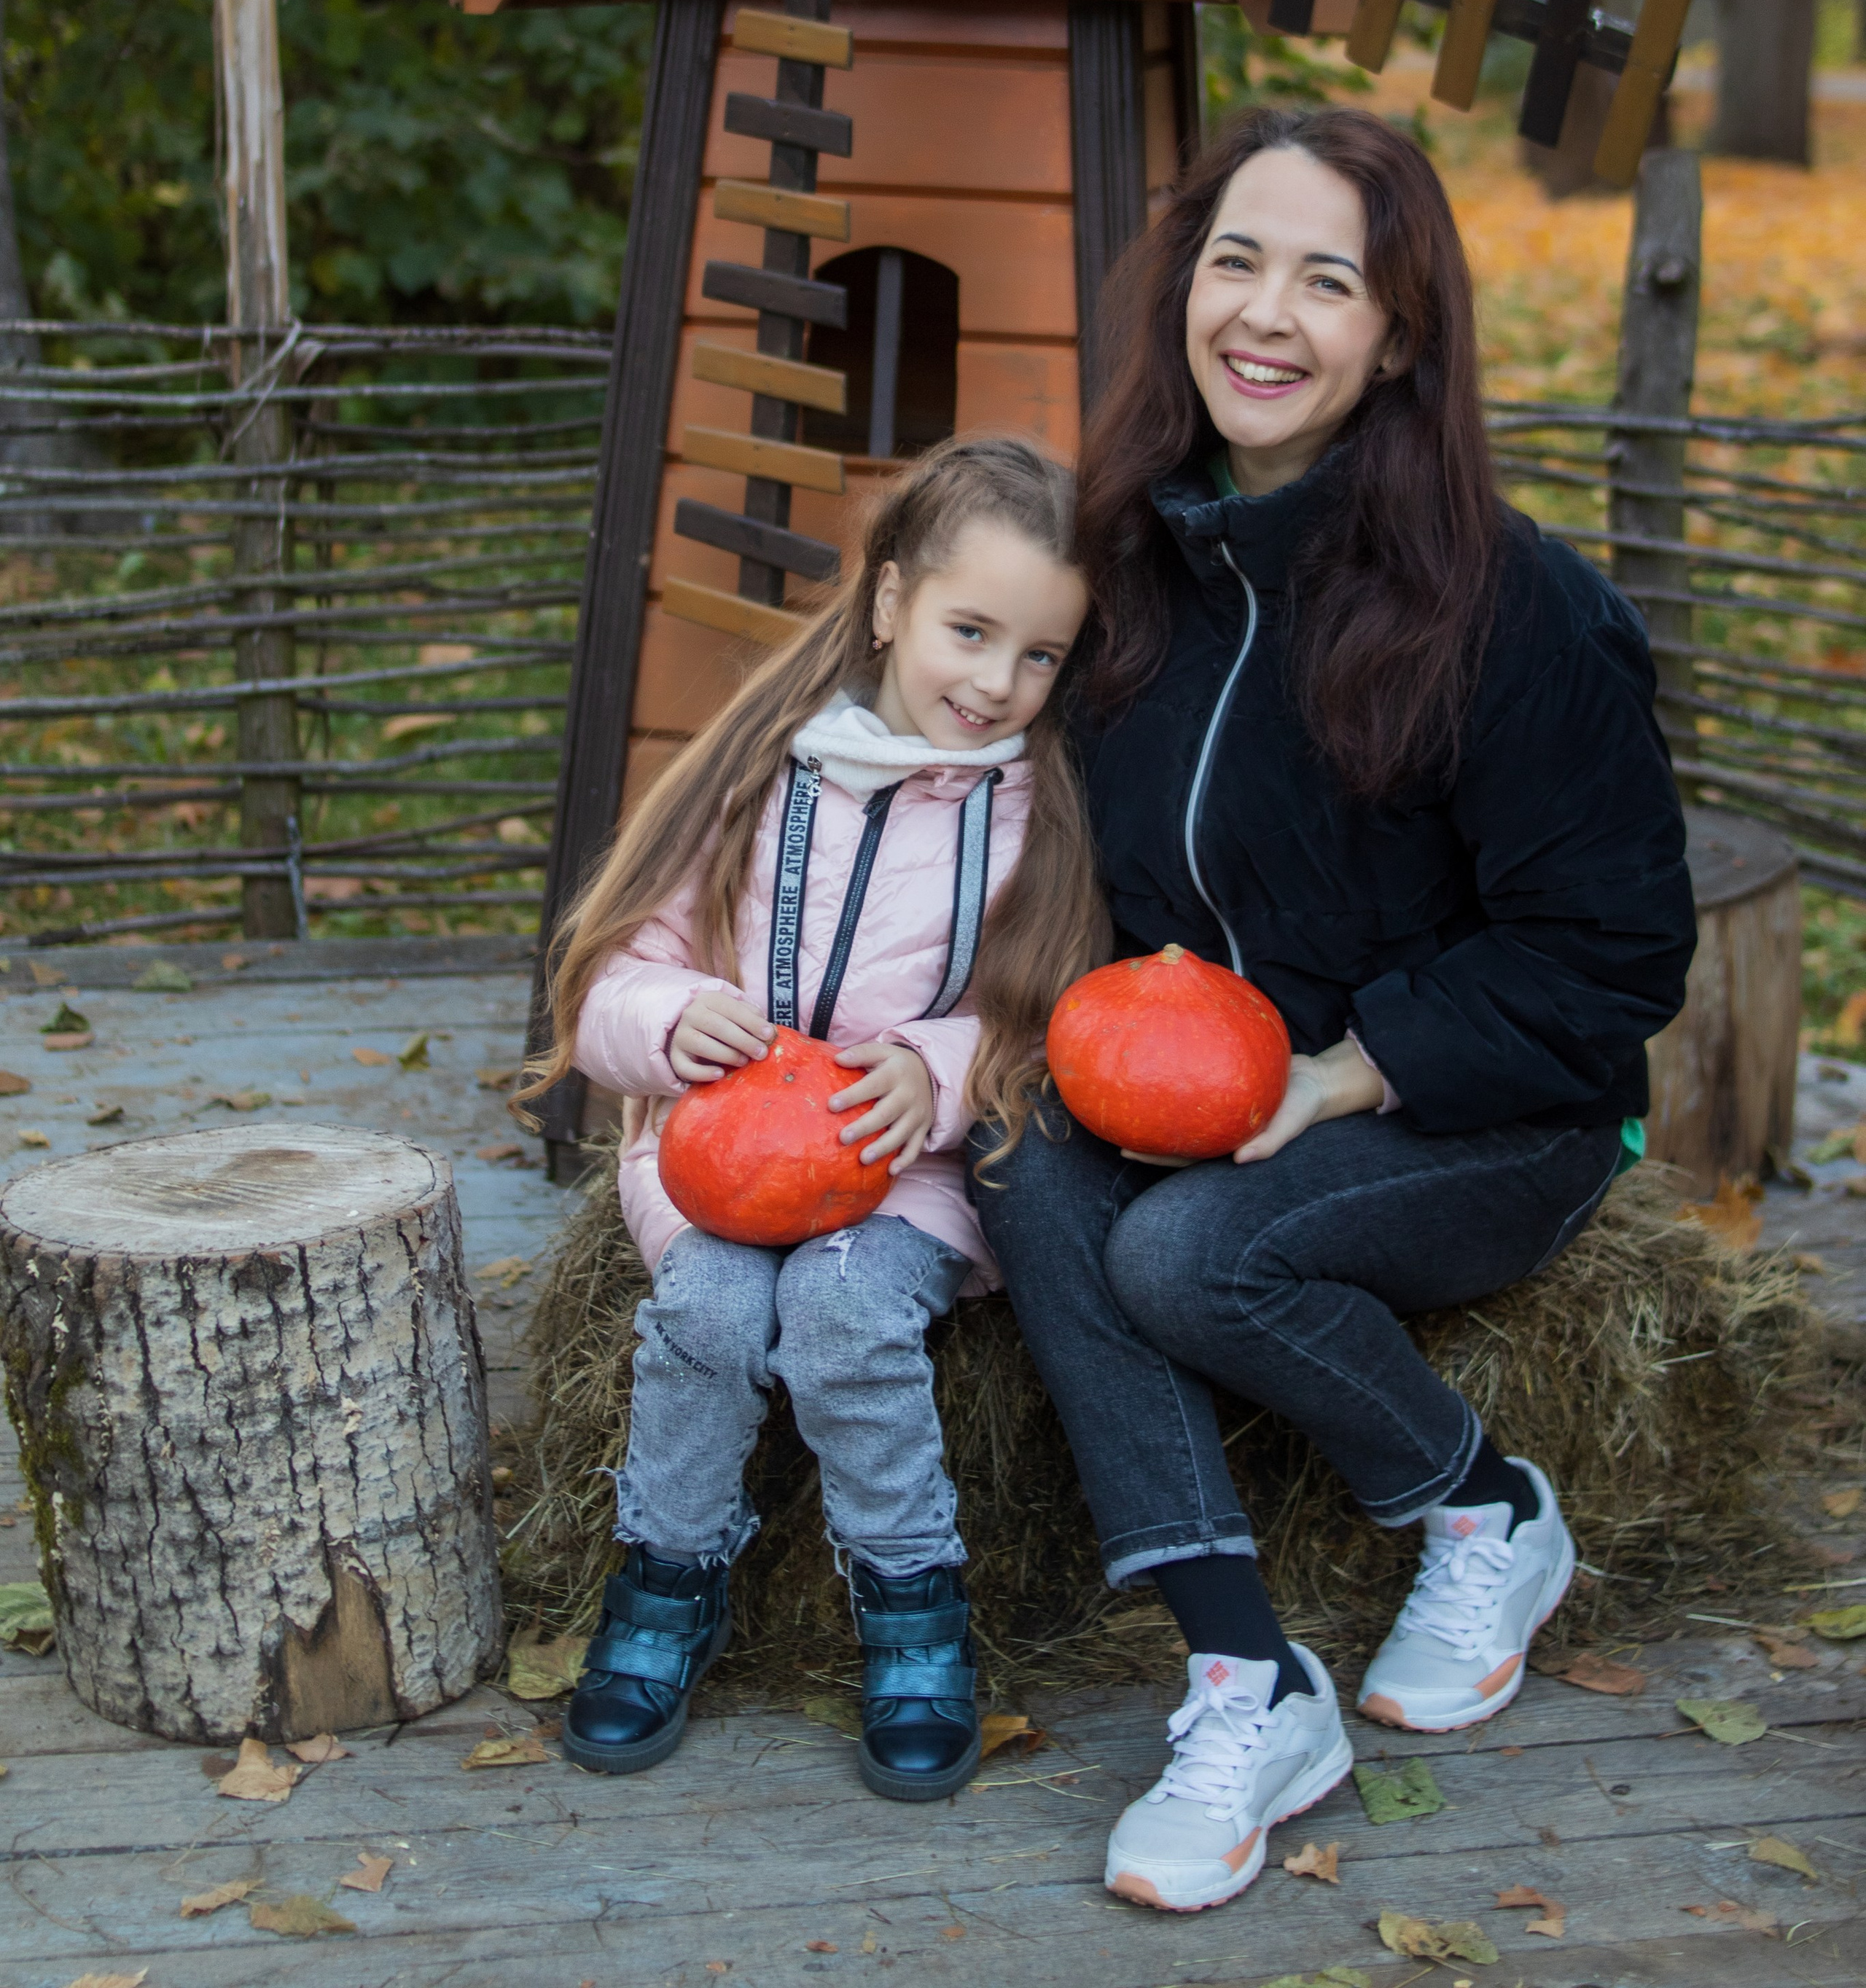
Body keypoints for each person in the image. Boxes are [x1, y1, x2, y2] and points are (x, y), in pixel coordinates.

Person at [969, 107, 1696, 1916]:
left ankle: (1480, 1507)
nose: (1265, 313)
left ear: (1398, 335)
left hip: (1487, 1102)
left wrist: (1349, 1070)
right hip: (1215, 1072)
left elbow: (1606, 954)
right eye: (1234, 259)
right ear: (1180, 287)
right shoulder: (1128, 568)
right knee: (1029, 1177)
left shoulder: (1508, 611)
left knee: (1189, 1258)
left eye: (1327, 277)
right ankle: (1248, 1674)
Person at [532, 437, 1104, 1799]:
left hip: (908, 1176)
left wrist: (943, 1068)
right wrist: (670, 1019)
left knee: (845, 1318)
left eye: (1038, 656)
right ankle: (668, 1576)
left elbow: (1060, 1021)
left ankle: (913, 1607)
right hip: (718, 1155)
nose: (994, 682)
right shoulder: (762, 770)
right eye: (971, 630)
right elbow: (617, 963)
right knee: (716, 1318)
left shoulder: (1041, 816)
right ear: (893, 600)